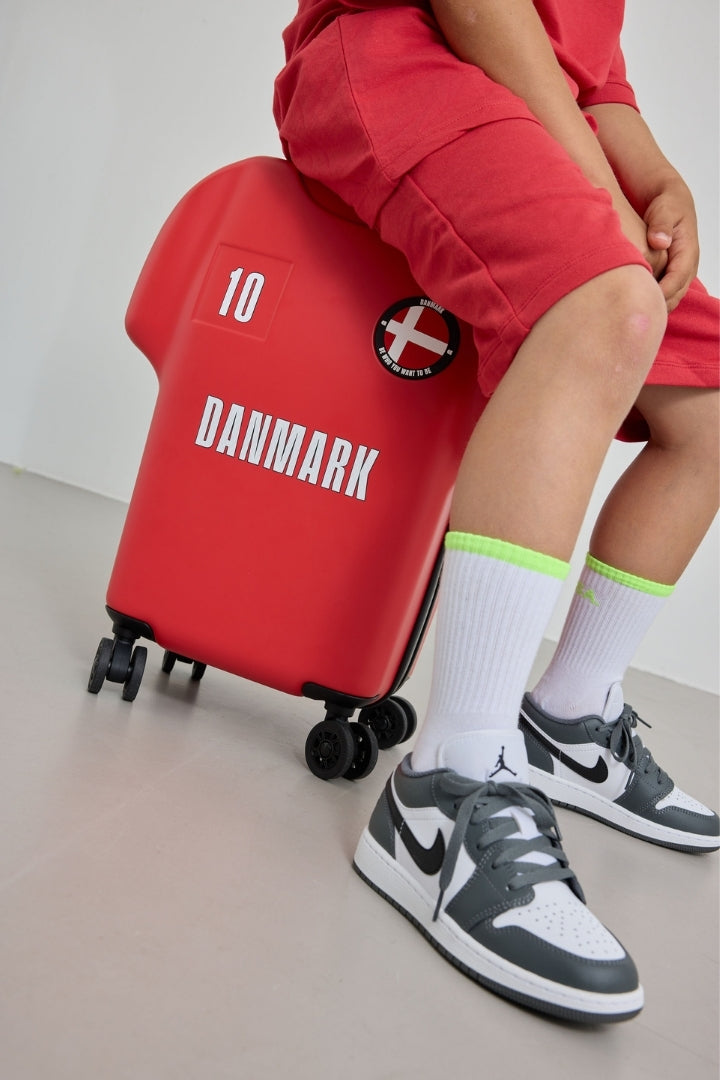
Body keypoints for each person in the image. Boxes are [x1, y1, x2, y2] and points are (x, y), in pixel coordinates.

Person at [273, 0, 719, 1023]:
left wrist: (656, 180)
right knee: (606, 299)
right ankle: (449, 783)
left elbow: (593, 69)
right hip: (393, 53)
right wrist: (594, 182)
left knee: (711, 406)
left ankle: (568, 717)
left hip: (524, 94)